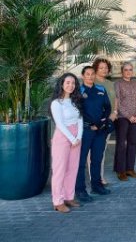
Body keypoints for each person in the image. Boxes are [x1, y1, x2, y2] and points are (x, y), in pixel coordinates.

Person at [75, 66, 112, 203]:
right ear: (83, 76)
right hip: (86, 130)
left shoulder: (101, 90)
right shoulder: (79, 91)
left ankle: (97, 186)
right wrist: (92, 123)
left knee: (97, 159)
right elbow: (78, 110)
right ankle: (80, 190)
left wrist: (102, 122)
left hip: (100, 130)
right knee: (81, 161)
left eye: (92, 74)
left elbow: (107, 108)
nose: (90, 76)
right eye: (87, 74)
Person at [50, 73, 83, 213]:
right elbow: (60, 123)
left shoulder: (75, 101)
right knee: (59, 170)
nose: (71, 85)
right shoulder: (56, 103)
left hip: (76, 137)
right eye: (68, 82)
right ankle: (57, 201)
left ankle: (69, 197)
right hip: (63, 137)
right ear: (62, 84)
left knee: (72, 168)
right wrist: (72, 138)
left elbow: (80, 119)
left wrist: (79, 137)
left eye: (73, 83)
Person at [113, 62, 136, 181]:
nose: (128, 71)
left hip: (135, 118)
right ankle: (120, 170)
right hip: (122, 118)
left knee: (133, 143)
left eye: (130, 69)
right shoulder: (118, 84)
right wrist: (128, 115)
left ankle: (130, 168)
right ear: (122, 71)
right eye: (126, 70)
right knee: (121, 144)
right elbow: (117, 102)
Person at [92, 58, 116, 187]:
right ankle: (95, 178)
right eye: (101, 67)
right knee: (93, 153)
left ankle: (100, 177)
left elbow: (115, 101)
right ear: (96, 68)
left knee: (102, 151)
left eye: (106, 67)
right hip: (95, 123)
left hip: (108, 122)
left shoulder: (110, 83)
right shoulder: (92, 82)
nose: (104, 70)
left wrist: (115, 113)